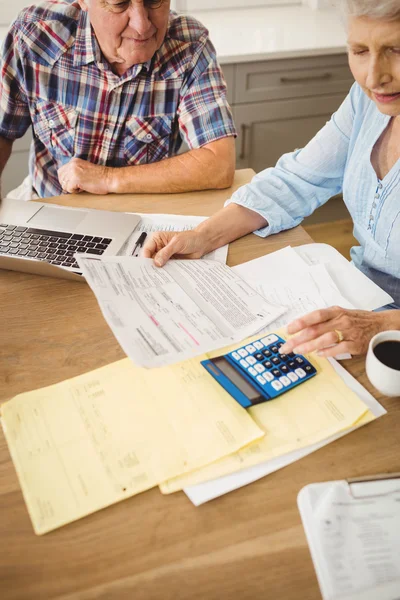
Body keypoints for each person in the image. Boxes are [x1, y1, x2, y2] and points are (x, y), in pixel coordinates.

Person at [143, 0, 400, 357]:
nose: (374, 76)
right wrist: (203, 236)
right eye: (359, 51)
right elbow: (297, 179)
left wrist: (382, 326)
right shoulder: (367, 100)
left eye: (396, 49)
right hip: (356, 304)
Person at [0, 0, 236, 200]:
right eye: (119, 3)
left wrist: (108, 178)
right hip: (48, 204)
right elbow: (3, 132)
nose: (142, 26)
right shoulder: (33, 35)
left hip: (142, 215)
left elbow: (219, 164)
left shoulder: (190, 47)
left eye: (154, 0)